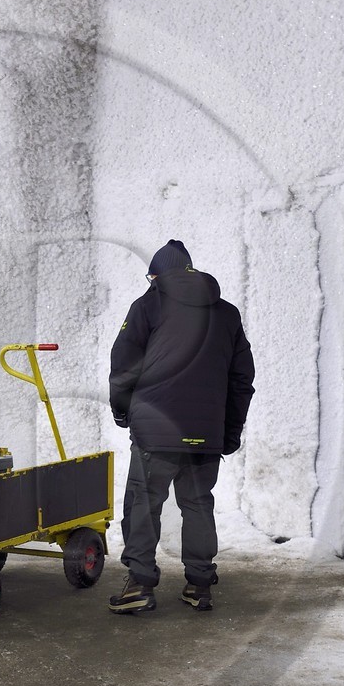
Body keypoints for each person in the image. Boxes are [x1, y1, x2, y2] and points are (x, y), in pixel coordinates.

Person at [107, 239, 255, 614]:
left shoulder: (148, 304)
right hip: (205, 432)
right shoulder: (227, 313)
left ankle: (139, 585)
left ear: (156, 275)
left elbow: (124, 364)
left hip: (155, 431)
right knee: (198, 505)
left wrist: (123, 412)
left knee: (144, 505)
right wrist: (230, 431)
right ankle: (199, 585)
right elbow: (242, 379)